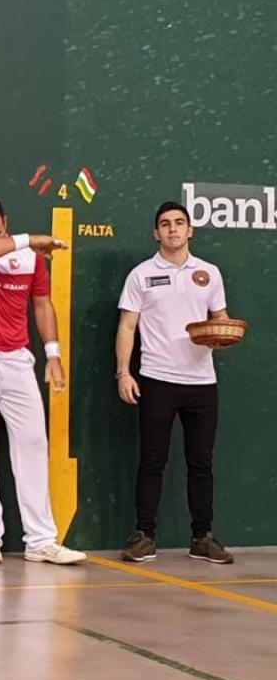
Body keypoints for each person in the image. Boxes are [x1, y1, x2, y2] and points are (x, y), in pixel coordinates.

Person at [0, 195, 85, 565]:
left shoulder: (31, 258)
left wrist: (53, 354)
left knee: (33, 444)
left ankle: (40, 540)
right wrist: (27, 239)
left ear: (6, 221)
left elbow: (42, 304)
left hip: (17, 361)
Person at [115, 201, 233, 564]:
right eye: (165, 224)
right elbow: (128, 326)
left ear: (190, 230)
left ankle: (202, 537)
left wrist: (223, 335)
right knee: (152, 461)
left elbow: (220, 318)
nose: (173, 230)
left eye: (179, 223)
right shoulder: (140, 275)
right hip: (157, 379)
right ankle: (144, 535)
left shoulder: (210, 273)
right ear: (156, 233)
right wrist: (123, 372)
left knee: (201, 463)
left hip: (202, 382)